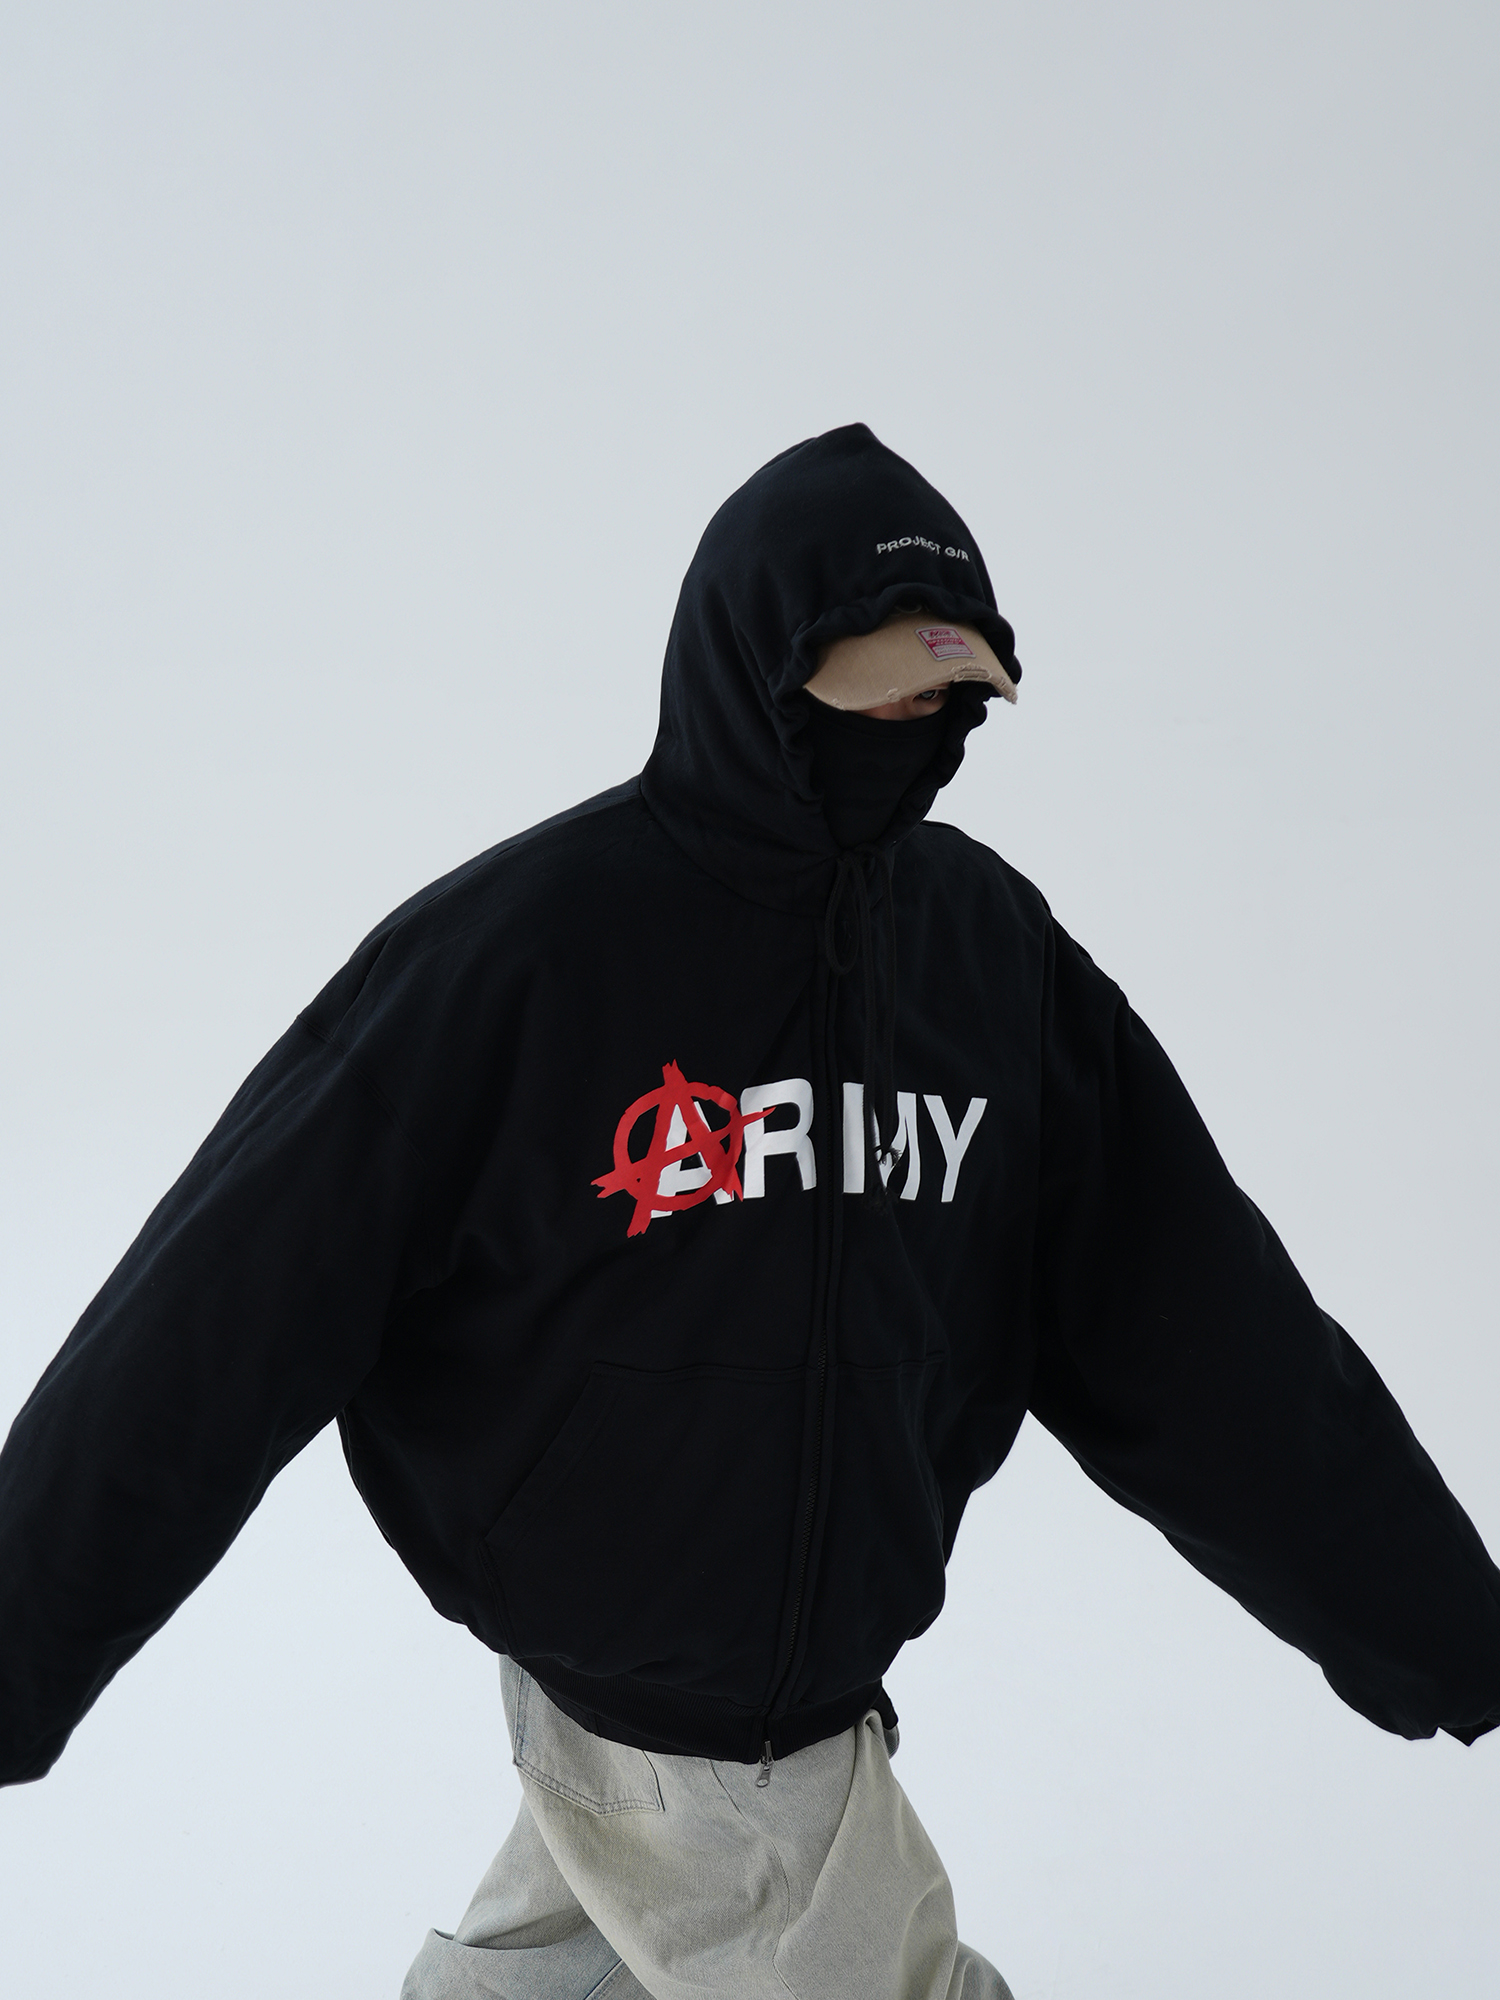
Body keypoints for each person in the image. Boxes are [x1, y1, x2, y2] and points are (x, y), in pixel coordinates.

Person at [1, 423, 1498, 1999]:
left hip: (748, 1692)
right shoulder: (527, 954)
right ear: (751, 674)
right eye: (869, 689)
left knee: (569, 1958)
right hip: (690, 1705)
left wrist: (1440, 1630)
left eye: (939, 693)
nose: (908, 725)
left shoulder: (989, 958)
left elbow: (1205, 1332)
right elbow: (217, 1316)